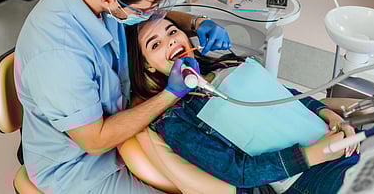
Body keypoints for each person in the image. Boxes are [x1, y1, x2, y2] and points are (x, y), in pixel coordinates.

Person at [13, 0, 231, 193]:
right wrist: (172, 93)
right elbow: (95, 141)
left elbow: (151, 16)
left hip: (126, 131)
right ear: (109, 1)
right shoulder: (60, 54)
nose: (157, 14)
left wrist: (197, 23)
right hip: (82, 166)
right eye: (147, 9)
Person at [126, 18, 361, 194]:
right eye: (155, 45)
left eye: (173, 31)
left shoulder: (227, 63)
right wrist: (315, 154)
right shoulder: (176, 119)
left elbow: (284, 95)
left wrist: (328, 114)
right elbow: (240, 172)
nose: (171, 41)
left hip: (336, 137)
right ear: (148, 67)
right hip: (307, 175)